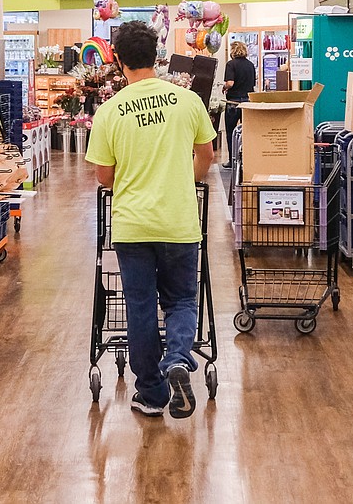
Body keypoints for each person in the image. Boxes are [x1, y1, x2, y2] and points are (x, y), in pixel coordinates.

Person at [85, 22, 216, 419]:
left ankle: (152, 393)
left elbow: (103, 176)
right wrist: (183, 178)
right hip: (178, 222)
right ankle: (177, 358)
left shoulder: (109, 112)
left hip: (132, 226)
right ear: (157, 56)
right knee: (181, 300)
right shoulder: (187, 101)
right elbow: (206, 156)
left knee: (140, 306)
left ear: (119, 60)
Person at [222, 41, 256, 168]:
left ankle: (232, 160)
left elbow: (230, 83)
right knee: (247, 132)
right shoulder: (251, 65)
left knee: (231, 132)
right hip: (248, 101)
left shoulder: (231, 64)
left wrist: (224, 87)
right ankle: (247, 159)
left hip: (233, 102)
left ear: (233, 51)